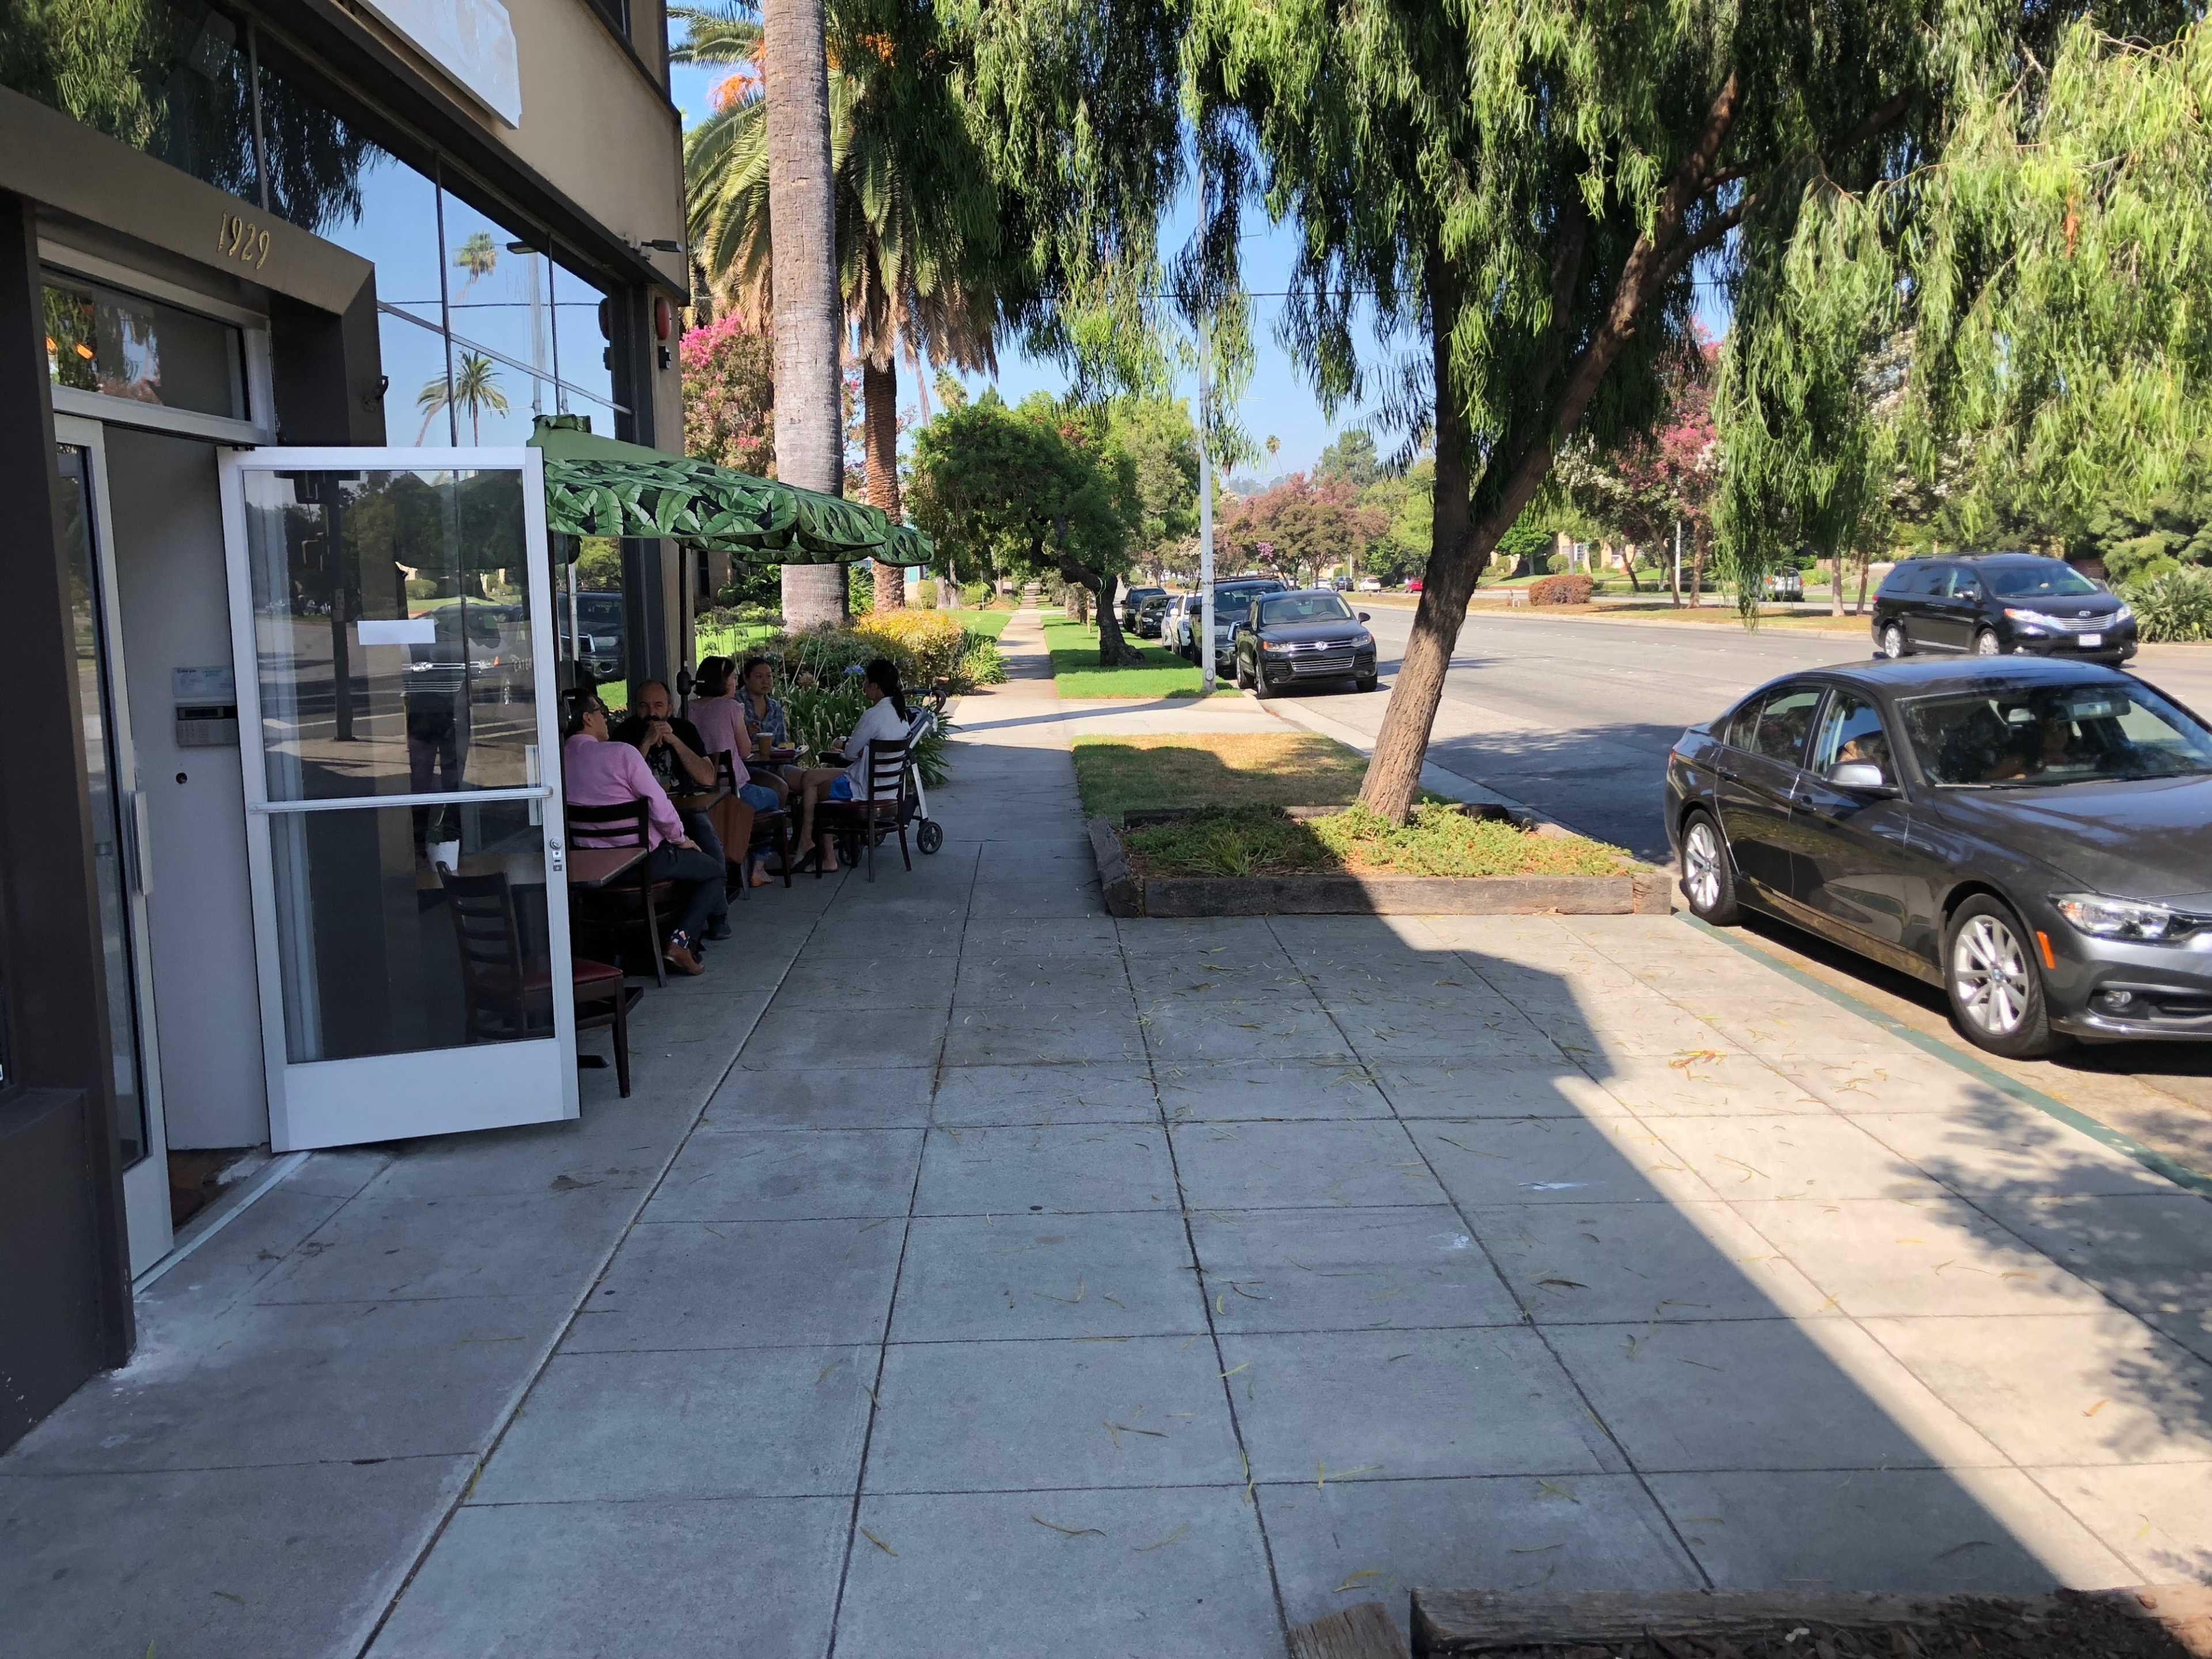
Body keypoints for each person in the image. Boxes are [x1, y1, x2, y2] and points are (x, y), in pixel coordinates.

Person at [562, 690, 727, 974]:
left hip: (587, 865)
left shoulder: (559, 758)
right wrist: (681, 839)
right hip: (640, 861)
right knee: (713, 870)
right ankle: (681, 942)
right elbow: (660, 805)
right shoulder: (621, 751)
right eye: (601, 712)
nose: (605, 719)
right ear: (587, 719)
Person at [792, 657, 914, 872]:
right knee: (810, 777)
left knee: (819, 791)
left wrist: (845, 743)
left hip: (863, 787)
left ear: (875, 686)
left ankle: (819, 852)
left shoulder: (874, 715)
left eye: (866, 682)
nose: (863, 686)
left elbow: (848, 754)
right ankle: (808, 844)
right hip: (887, 786)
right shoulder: (900, 714)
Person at [689, 656, 786, 885]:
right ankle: (759, 864)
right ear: (723, 681)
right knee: (774, 796)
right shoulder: (731, 707)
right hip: (734, 790)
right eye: (732, 677)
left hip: (700, 793)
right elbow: (744, 752)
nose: (735, 682)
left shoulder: (689, 708)